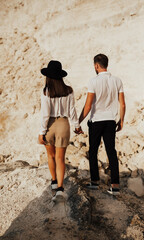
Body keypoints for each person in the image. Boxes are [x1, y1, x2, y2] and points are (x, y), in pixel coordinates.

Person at [79, 54, 126, 195]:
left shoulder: (93, 81)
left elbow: (88, 106)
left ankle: (94, 182)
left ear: (96, 66)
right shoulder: (117, 81)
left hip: (96, 121)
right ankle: (115, 185)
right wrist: (121, 120)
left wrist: (78, 121)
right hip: (110, 121)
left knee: (93, 151)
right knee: (111, 151)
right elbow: (122, 104)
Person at [38, 60, 83, 200]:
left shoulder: (46, 91)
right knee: (60, 158)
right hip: (64, 124)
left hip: (50, 124)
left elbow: (45, 114)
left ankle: (53, 181)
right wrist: (77, 125)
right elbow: (72, 111)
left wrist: (41, 132)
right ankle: (60, 189)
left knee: (51, 156)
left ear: (48, 77)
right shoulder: (68, 90)